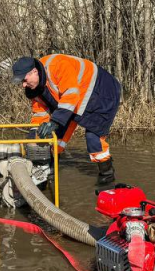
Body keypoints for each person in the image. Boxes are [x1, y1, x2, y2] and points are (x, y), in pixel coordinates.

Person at [12, 54, 122, 186]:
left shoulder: (58, 65)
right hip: (74, 98)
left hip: (101, 91)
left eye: (24, 80)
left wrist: (55, 122)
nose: (23, 85)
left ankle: (107, 176)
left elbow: (70, 95)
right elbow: (40, 113)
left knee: (94, 138)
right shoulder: (34, 87)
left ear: (34, 72)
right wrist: (34, 134)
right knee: (54, 137)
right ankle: (47, 173)